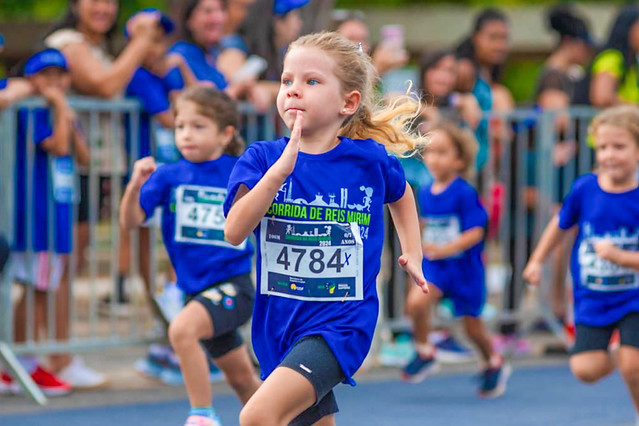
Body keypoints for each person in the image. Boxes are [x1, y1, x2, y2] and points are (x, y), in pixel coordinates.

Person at [224, 31, 428, 426]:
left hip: (341, 324)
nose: (294, 90)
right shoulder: (261, 158)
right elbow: (234, 231)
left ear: (348, 102)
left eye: (311, 81)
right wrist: (278, 174)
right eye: (287, 81)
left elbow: (401, 196)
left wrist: (413, 251)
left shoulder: (368, 160)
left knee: (258, 416)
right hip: (279, 323)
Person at [120, 86, 261, 426]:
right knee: (242, 380)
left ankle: (201, 415)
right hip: (195, 292)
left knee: (182, 331)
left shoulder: (239, 170)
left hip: (234, 287)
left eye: (199, 126)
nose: (186, 134)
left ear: (226, 134)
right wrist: (134, 184)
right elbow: (130, 220)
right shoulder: (169, 176)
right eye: (181, 126)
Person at [523, 105, 639, 425]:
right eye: (602, 147)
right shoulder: (585, 188)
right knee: (585, 371)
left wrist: (621, 257)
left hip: (634, 296)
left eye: (619, 147)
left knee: (634, 366)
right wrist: (536, 260)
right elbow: (560, 225)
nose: (609, 155)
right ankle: (617, 352)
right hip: (593, 297)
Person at [43, 0, 160, 310]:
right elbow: (104, 86)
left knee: (73, 261)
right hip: (71, 166)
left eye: (110, 2)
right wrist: (142, 40)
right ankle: (53, 355)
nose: (103, 8)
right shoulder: (68, 42)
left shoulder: (101, 47)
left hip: (97, 165)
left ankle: (58, 354)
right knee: (62, 264)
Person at [0, 48, 93, 395]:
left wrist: (65, 112)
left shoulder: (59, 109)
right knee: (36, 288)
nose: (54, 83)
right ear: (32, 79)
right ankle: (22, 363)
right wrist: (58, 108)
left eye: (60, 76)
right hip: (38, 215)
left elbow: (83, 156)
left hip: (58, 211)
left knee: (41, 287)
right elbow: (57, 146)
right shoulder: (39, 110)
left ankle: (22, 362)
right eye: (46, 76)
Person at [400, 120, 510, 397]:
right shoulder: (424, 191)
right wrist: (419, 244)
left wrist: (447, 248)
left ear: (459, 160)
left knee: (472, 329)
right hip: (437, 268)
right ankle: (425, 350)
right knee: (416, 303)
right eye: (430, 152)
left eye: (442, 152)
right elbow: (425, 224)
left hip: (465, 271)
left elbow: (476, 232)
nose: (434, 159)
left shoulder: (463, 192)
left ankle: (492, 361)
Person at [590, 6, 639, 107]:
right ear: (628, 29)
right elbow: (602, 98)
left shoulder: (632, 60)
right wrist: (633, 108)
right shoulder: (611, 58)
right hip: (615, 121)